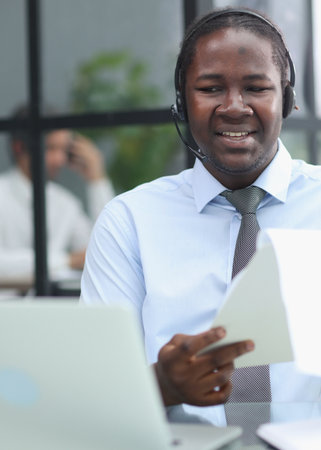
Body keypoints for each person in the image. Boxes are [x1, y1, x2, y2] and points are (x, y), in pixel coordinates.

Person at [81, 7, 321, 428]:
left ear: (286, 98)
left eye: (256, 87)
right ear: (182, 101)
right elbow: (92, 395)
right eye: (210, 88)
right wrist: (162, 385)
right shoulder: (130, 221)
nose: (234, 107)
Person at [0, 105, 115, 286]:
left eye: (64, 150)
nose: (60, 159)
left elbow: (107, 249)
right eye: (51, 148)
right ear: (19, 147)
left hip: (53, 310)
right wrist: (67, 261)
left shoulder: (66, 203)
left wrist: (96, 180)